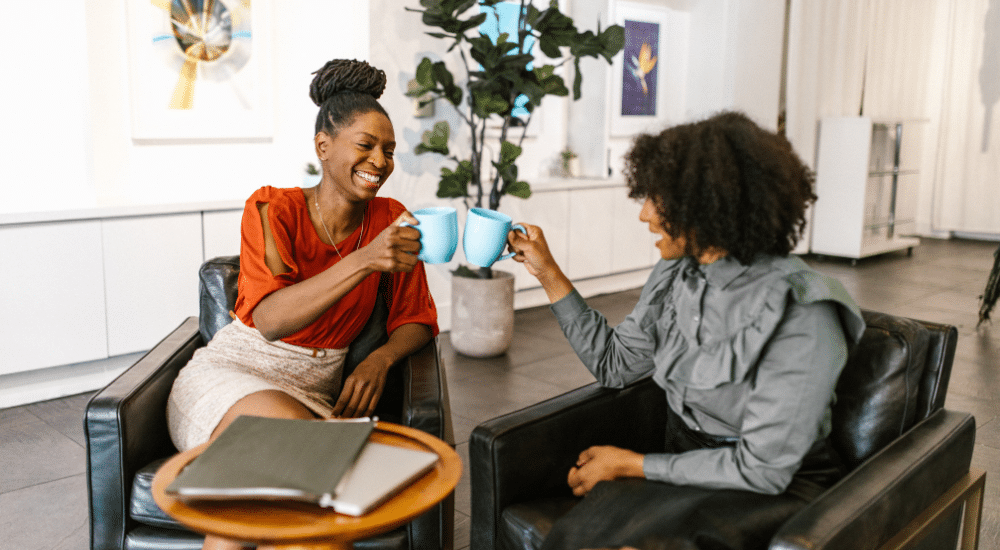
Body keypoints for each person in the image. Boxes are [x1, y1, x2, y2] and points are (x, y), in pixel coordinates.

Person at [506, 111, 866, 550]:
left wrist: (633, 464)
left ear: (708, 205)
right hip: (684, 461)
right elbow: (615, 365)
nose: (644, 215)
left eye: (657, 199)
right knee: (575, 537)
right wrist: (547, 273)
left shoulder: (803, 311)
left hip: (773, 488)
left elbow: (763, 470)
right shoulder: (677, 272)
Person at [165, 59, 438, 550]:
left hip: (315, 394)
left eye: (389, 150)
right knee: (291, 474)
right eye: (366, 145)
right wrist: (363, 262)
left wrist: (381, 358)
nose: (381, 160)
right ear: (323, 146)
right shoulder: (272, 209)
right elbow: (269, 319)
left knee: (308, 527)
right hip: (234, 373)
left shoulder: (391, 219)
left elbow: (417, 319)